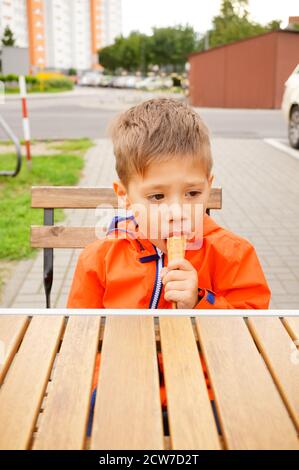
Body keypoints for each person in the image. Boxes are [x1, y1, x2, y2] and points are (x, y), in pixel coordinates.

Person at [67, 98, 271, 436]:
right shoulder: (99, 258)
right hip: (121, 382)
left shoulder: (233, 254)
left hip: (207, 384)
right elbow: (82, 334)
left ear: (209, 184)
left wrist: (201, 301)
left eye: (192, 193)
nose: (177, 210)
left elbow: (252, 335)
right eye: (157, 197)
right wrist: (106, 379)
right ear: (125, 195)